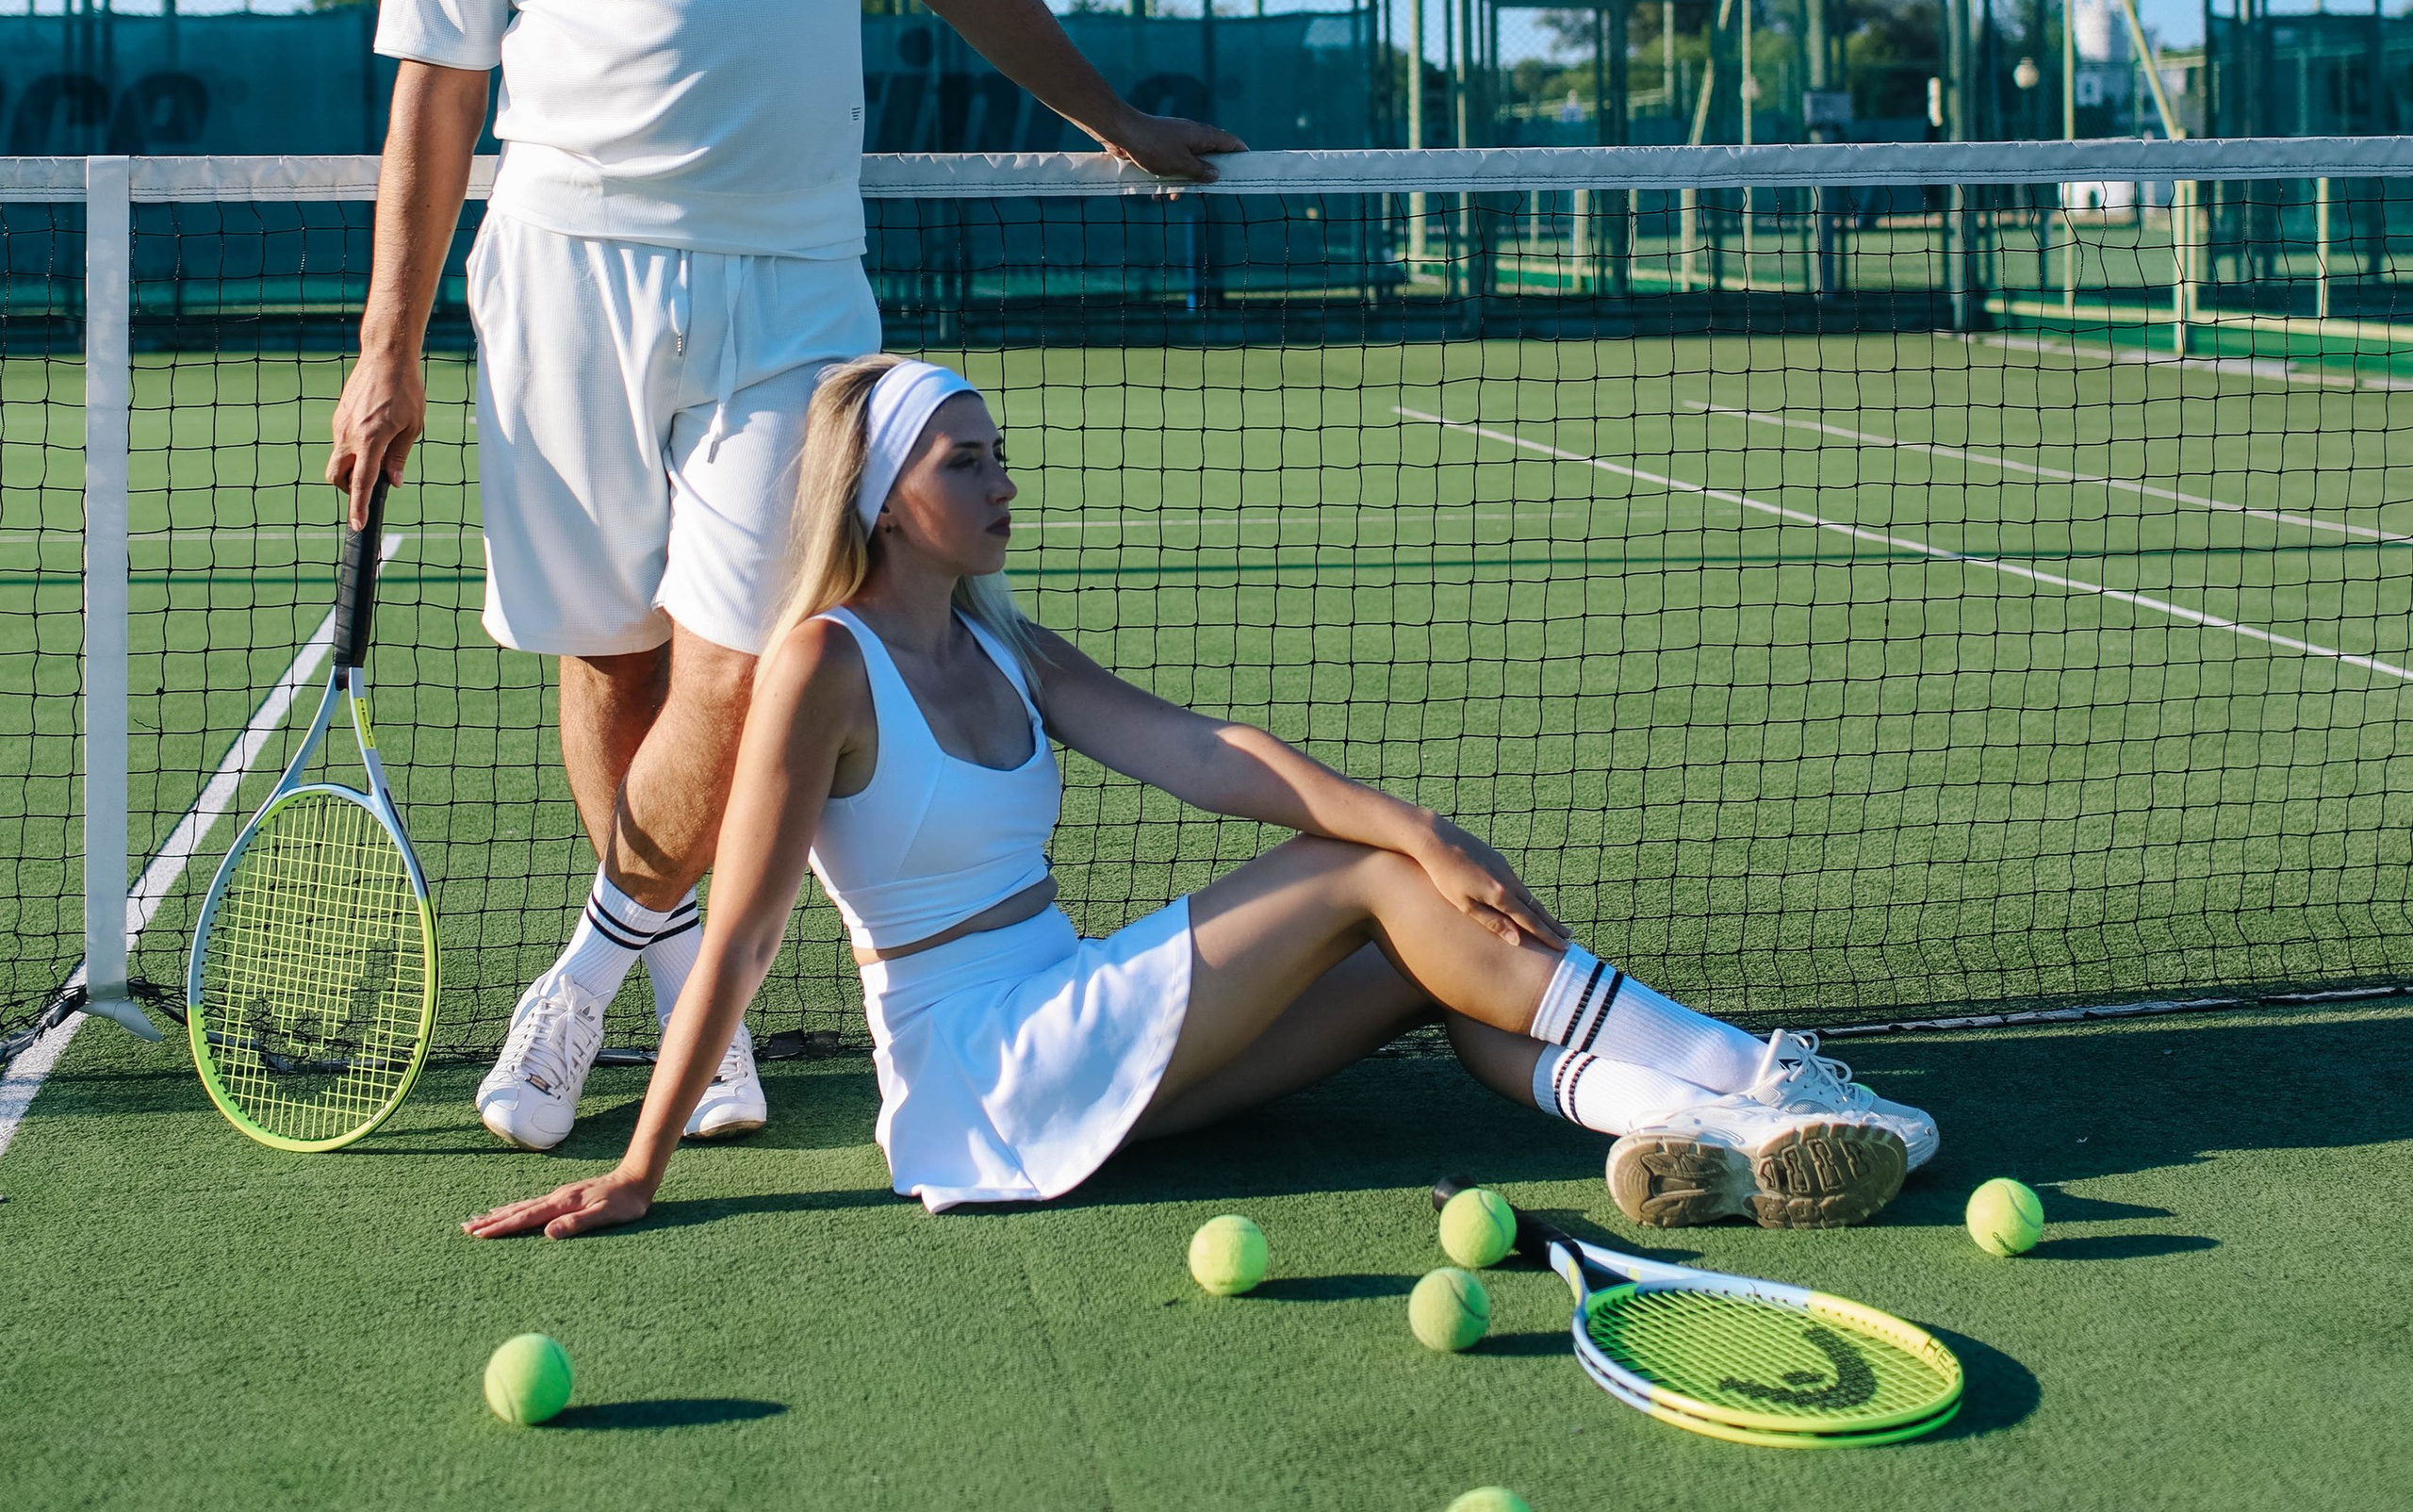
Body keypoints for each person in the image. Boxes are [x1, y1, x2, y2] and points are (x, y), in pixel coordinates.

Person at [329, 0, 1236, 1157]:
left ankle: (590, 976)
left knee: (749, 669)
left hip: (797, 284)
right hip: (562, 275)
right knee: (611, 661)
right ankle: (705, 1015)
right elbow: (437, 90)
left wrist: (1108, 114)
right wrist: (389, 350)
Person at [464, 355, 1938, 1247]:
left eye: (999, 456)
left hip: (1065, 1029)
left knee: (1417, 954)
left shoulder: (1001, 638)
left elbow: (1203, 749)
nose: (1001, 482)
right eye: (964, 461)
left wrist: (1415, 820)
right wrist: (641, 1164)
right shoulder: (819, 665)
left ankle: (1705, 1135)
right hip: (982, 1061)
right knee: (1363, 876)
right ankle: (1770, 1078)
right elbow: (739, 929)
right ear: (879, 495)